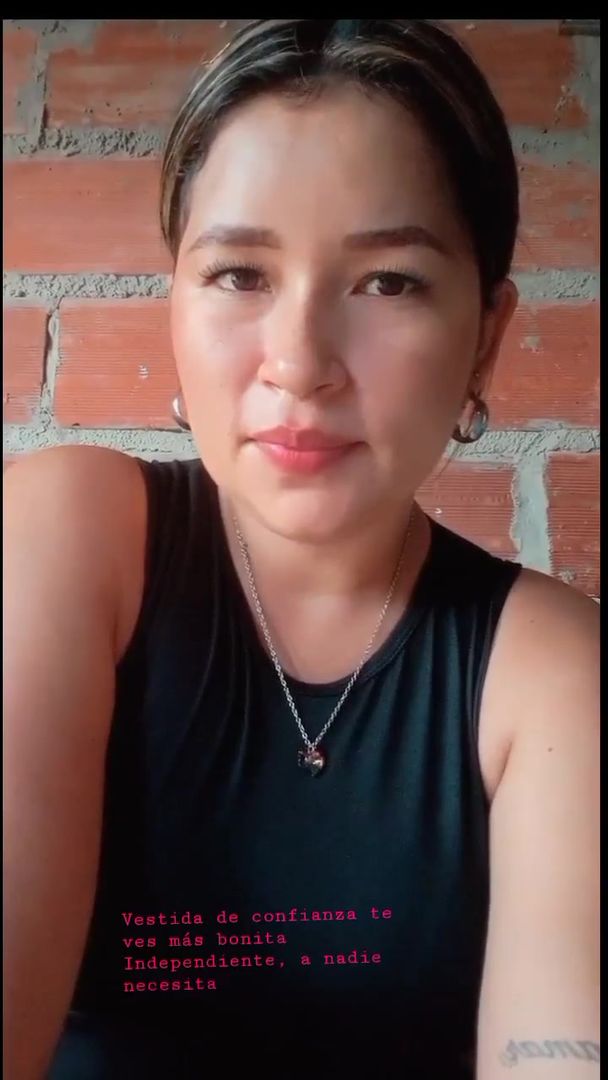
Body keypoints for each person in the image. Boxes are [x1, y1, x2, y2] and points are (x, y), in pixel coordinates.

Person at [4, 18, 599, 1080]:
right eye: (240, 273)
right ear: (174, 305)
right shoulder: (66, 535)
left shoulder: (549, 668)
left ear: (485, 336)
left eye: (389, 282)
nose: (299, 361)